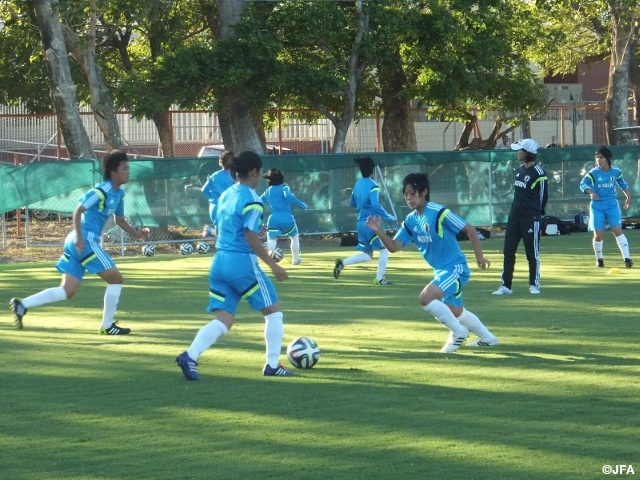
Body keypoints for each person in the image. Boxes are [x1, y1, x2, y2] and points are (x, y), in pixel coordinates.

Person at [176, 151, 293, 381]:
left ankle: (190, 355)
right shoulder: (253, 200)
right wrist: (273, 265)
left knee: (224, 320)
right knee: (274, 312)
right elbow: (249, 237)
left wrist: (254, 230)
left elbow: (229, 225)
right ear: (254, 172)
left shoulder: (227, 194)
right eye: (260, 172)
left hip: (219, 262)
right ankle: (272, 365)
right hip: (241, 264)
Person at [9, 150, 150, 334]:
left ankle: (22, 305)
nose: (128, 171)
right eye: (124, 168)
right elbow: (78, 210)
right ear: (113, 171)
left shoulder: (119, 194)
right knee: (116, 279)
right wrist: (82, 239)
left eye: (128, 168)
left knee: (67, 291)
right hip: (84, 241)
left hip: (77, 241)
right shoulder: (102, 191)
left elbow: (120, 220)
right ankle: (107, 326)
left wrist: (137, 234)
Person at [365, 172, 498, 352]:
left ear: (425, 191)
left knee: (426, 297)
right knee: (455, 311)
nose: (409, 198)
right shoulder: (410, 221)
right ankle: (488, 338)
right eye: (406, 195)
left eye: (412, 193)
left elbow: (470, 229)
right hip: (442, 271)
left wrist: (479, 257)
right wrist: (378, 230)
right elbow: (394, 247)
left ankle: (459, 332)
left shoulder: (439, 213)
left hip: (455, 269)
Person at [493, 138, 548, 295]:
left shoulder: (539, 173)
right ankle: (506, 286)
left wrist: (535, 215)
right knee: (508, 251)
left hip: (530, 218)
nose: (517, 153)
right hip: (514, 217)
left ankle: (534, 284)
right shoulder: (519, 170)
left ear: (528, 153)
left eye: (520, 150)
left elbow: (543, 197)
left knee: (532, 253)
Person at [333, 156, 396, 285]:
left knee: (368, 255)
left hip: (360, 223)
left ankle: (342, 263)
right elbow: (376, 205)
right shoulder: (373, 185)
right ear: (372, 170)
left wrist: (362, 204)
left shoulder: (357, 185)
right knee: (384, 249)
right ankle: (379, 279)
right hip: (371, 223)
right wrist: (388, 217)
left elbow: (352, 203)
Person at [579, 146, 633, 268]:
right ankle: (599, 259)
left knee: (617, 230)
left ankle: (627, 259)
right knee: (598, 234)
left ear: (608, 158)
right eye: (597, 157)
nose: (598, 160)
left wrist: (628, 197)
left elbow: (622, 184)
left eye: (601, 157)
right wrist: (591, 192)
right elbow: (583, 184)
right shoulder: (593, 173)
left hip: (611, 204)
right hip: (597, 205)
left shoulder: (616, 172)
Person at [261, 168, 309, 265]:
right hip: (286, 217)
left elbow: (259, 201)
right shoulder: (284, 186)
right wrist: (302, 205)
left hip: (273, 219)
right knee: (294, 237)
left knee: (272, 241)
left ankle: (263, 246)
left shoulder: (268, 191)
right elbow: (288, 196)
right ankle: (295, 259)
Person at [201, 150, 234, 238]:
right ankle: (211, 231)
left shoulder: (214, 175)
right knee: (228, 234)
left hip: (214, 207)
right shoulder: (234, 177)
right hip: (226, 208)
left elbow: (204, 190)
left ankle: (211, 231)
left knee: (221, 235)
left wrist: (212, 197)